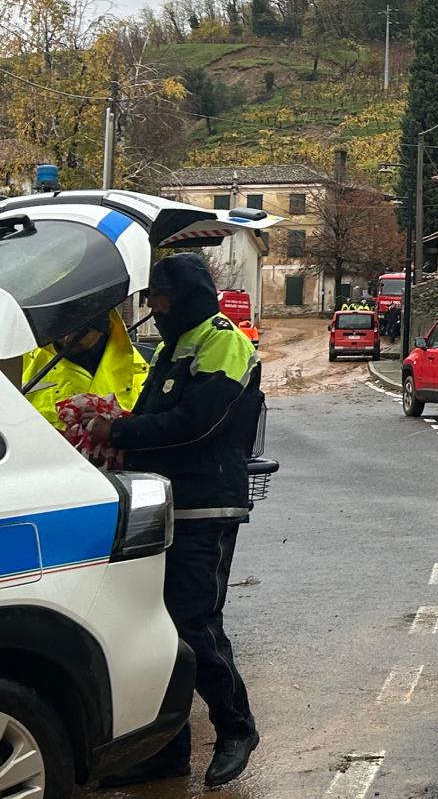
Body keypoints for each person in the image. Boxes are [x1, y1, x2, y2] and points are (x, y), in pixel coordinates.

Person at [86, 254, 262, 789]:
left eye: (159, 299)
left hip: (206, 503)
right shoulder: (171, 345)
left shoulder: (223, 340)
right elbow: (150, 414)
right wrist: (114, 424)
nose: (154, 310)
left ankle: (236, 727)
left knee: (193, 623)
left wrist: (119, 434)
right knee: (157, 628)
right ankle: (168, 748)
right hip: (160, 502)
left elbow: (197, 424)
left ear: (182, 295)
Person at [20, 308, 147, 430]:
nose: (67, 339)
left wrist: (115, 420)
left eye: (78, 332)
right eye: (60, 331)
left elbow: (145, 422)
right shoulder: (25, 358)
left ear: (101, 328)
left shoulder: (134, 366)